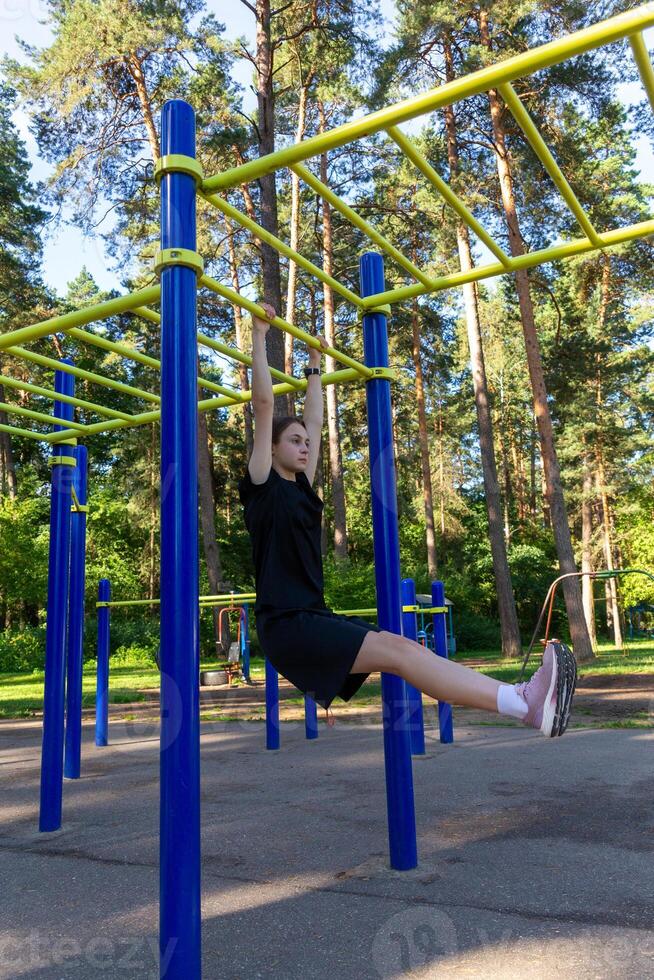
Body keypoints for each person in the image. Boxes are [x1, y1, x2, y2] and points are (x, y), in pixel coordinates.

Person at [238, 303, 577, 736]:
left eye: (307, 442)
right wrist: (258, 333)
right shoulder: (262, 484)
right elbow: (264, 405)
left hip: (312, 615)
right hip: (285, 623)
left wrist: (315, 368)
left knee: (401, 647)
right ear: (272, 448)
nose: (305, 446)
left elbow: (316, 420)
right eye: (294, 441)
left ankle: (523, 702)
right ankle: (525, 703)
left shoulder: (304, 486)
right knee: (396, 650)